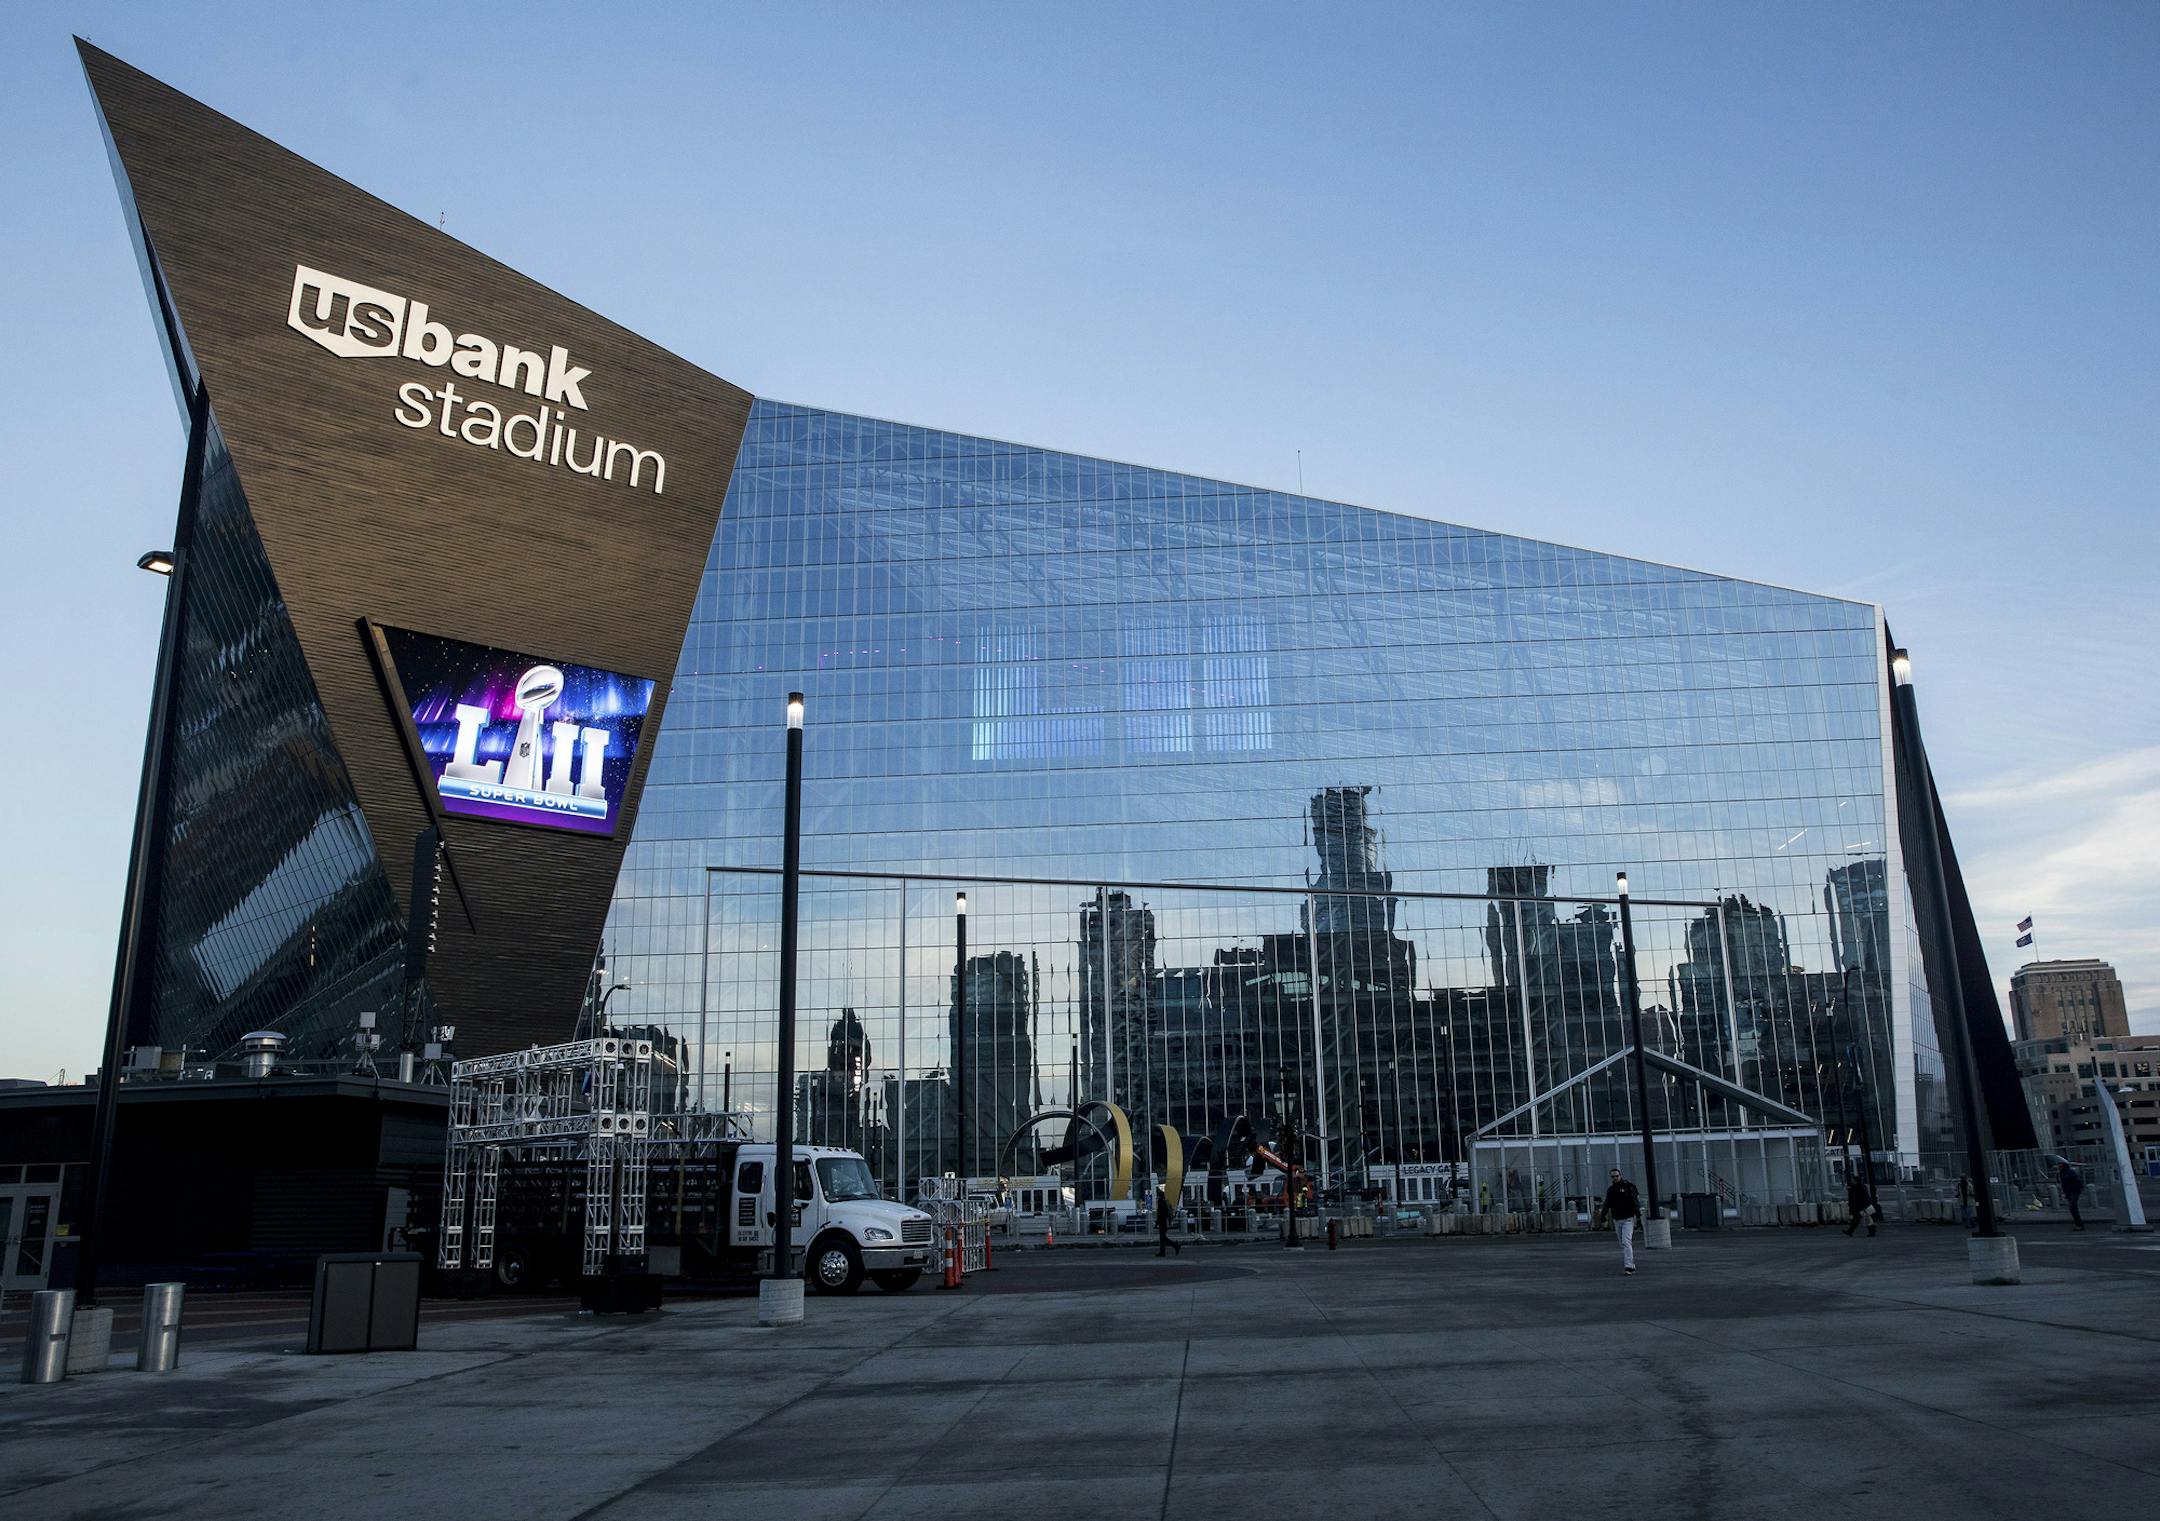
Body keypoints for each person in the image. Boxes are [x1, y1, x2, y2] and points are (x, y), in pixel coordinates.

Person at [1603, 1167, 1642, 1274]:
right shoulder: (1611, 1190)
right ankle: (1631, 1265)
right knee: (1622, 1242)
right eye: (1613, 1176)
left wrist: (1638, 1217)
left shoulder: (1628, 1187)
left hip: (1627, 1219)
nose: (1615, 1178)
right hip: (1617, 1219)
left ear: (1620, 1175)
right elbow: (1607, 1203)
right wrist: (1603, 1214)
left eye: (1617, 1176)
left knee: (1626, 1242)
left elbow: (1634, 1202)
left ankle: (1628, 1266)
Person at [1843, 1171, 1876, 1237]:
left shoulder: (1858, 1188)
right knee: (1861, 1219)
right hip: (1861, 1206)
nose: (1851, 1181)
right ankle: (1850, 1231)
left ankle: (1851, 1231)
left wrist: (1862, 1206)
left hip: (1862, 1206)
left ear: (1856, 1181)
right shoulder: (1857, 1187)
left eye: (1852, 1180)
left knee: (1864, 1219)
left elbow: (1861, 1197)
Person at [1155, 1185, 1182, 1257]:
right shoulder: (1163, 1202)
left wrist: (1157, 1222)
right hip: (1164, 1222)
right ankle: (1162, 1252)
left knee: (1163, 1238)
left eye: (1158, 1195)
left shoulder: (1161, 1202)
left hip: (1163, 1223)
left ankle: (1175, 1245)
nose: (1157, 1197)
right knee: (1162, 1238)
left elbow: (1161, 1214)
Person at [2059, 1161, 2086, 1230]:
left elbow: (2076, 1181)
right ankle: (2078, 1224)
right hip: (2070, 1192)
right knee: (2073, 1208)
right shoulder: (2063, 1173)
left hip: (2074, 1191)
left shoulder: (2069, 1173)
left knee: (2073, 1208)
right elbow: (2064, 1184)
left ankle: (2079, 1224)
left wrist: (2080, 1188)